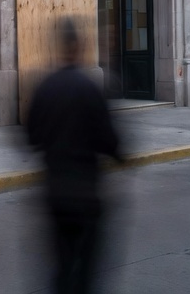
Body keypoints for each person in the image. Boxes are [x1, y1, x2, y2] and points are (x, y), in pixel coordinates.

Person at [27, 17, 123, 294]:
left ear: (58, 47)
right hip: (85, 194)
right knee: (86, 272)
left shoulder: (45, 87)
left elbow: (31, 137)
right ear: (77, 46)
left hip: (55, 193)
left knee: (61, 266)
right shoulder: (90, 88)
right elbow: (110, 142)